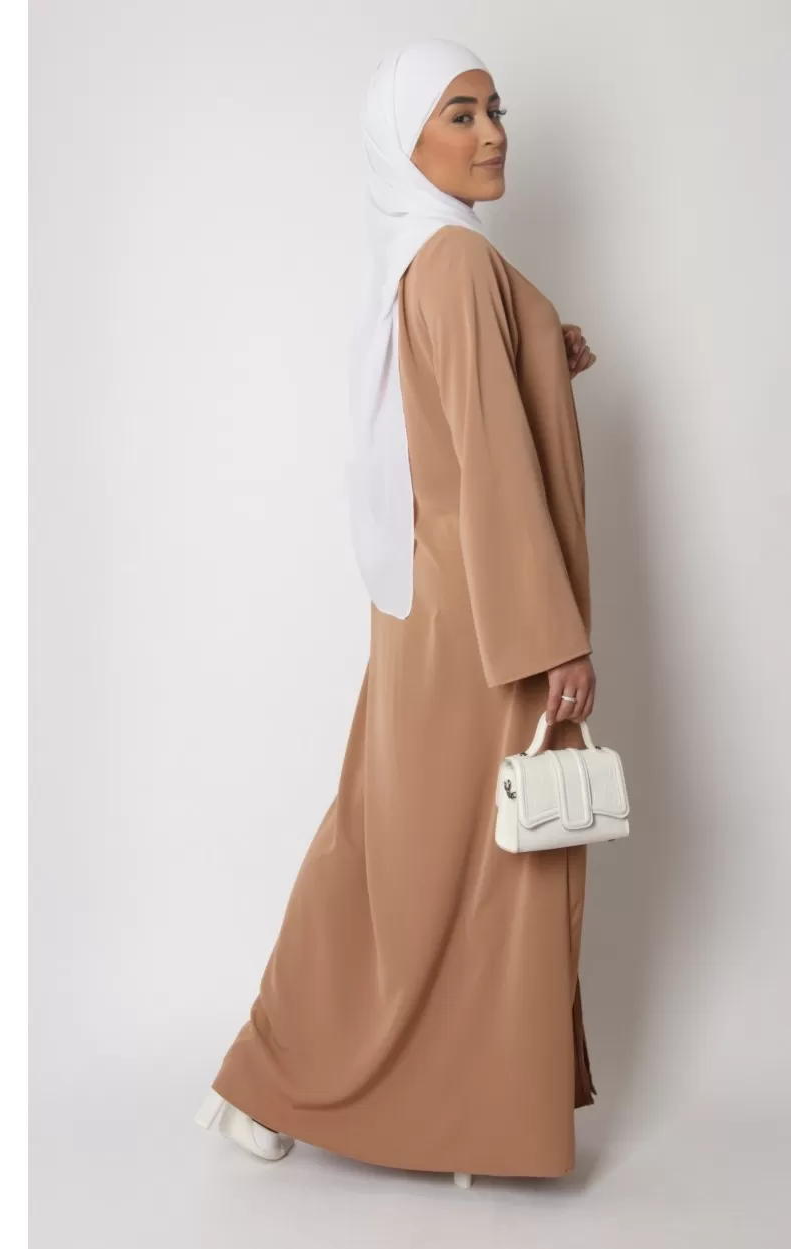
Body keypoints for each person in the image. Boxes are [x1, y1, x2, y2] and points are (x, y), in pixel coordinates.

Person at [194, 37, 599, 1188]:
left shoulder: (424, 256)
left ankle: (300, 1083)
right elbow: (488, 467)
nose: (492, 133)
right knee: (467, 861)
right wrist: (553, 637)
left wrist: (543, 353)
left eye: (494, 109)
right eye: (459, 115)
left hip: (437, 608)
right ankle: (331, 1088)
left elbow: (446, 420)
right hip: (487, 619)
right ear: (402, 139)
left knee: (397, 845)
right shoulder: (456, 261)